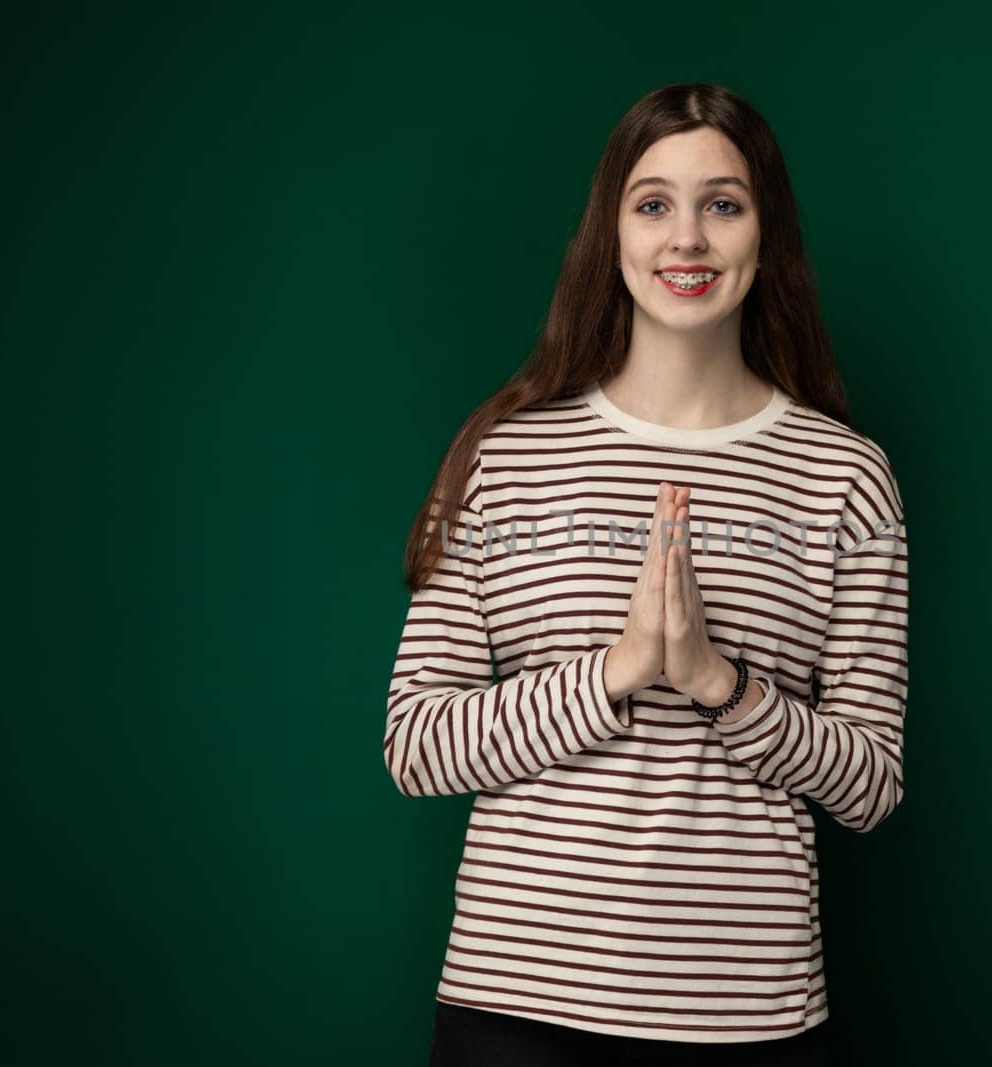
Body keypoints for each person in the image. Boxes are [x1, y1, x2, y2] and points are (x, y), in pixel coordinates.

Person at [384, 82, 908, 1067]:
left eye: (724, 202)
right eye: (653, 202)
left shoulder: (845, 474)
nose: (688, 239)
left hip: (748, 1015)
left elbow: (870, 782)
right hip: (515, 1007)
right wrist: (615, 672)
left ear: (767, 232)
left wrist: (720, 683)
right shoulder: (503, 458)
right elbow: (416, 743)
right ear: (611, 233)